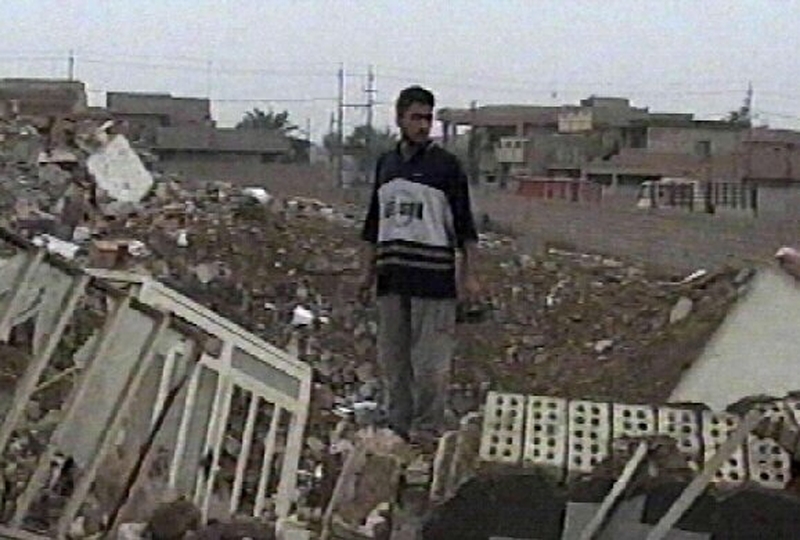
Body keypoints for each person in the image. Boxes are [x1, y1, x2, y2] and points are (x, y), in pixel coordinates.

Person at [359, 85, 481, 444]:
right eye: (416, 118)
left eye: (428, 118)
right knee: (394, 362)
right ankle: (398, 429)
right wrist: (366, 274)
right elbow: (373, 225)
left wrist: (469, 277)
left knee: (430, 366)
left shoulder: (446, 167)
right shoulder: (387, 165)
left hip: (434, 282)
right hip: (391, 280)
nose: (423, 125)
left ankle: (427, 430)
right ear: (400, 119)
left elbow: (465, 229)